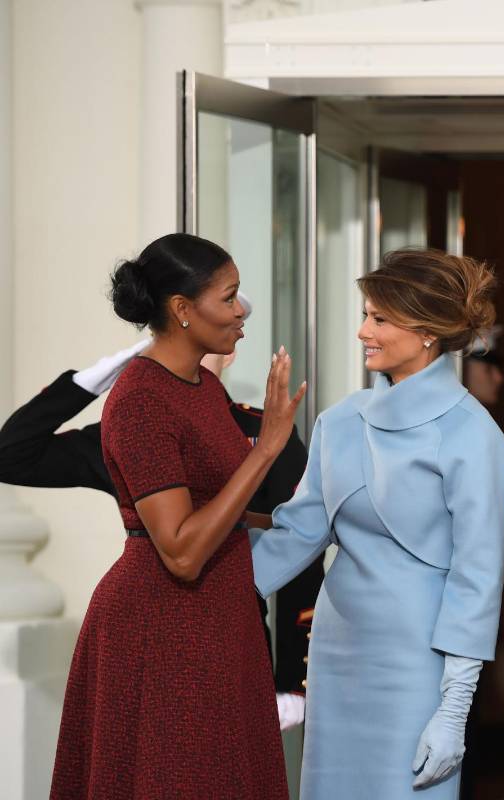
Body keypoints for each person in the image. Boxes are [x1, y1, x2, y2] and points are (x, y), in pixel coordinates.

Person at [249, 248, 504, 799]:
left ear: (427, 331)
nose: (363, 331)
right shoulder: (340, 420)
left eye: (380, 318)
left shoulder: (474, 435)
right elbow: (297, 534)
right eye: (365, 315)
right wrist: (196, 582)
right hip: (335, 655)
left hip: (418, 662)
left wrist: (454, 709)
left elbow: (476, 579)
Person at [50, 233, 305, 799]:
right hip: (164, 627)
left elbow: (215, 505)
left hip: (221, 617)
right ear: (183, 309)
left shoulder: (203, 387)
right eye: (229, 298)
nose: (240, 312)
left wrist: (313, 522)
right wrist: (265, 447)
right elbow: (183, 553)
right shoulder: (140, 399)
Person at [0, 295, 321, 732]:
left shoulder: (261, 430)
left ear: (229, 350)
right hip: (147, 635)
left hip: (233, 635)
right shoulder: (136, 426)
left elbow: (300, 553)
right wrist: (87, 382)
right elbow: (12, 456)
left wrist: (293, 683)